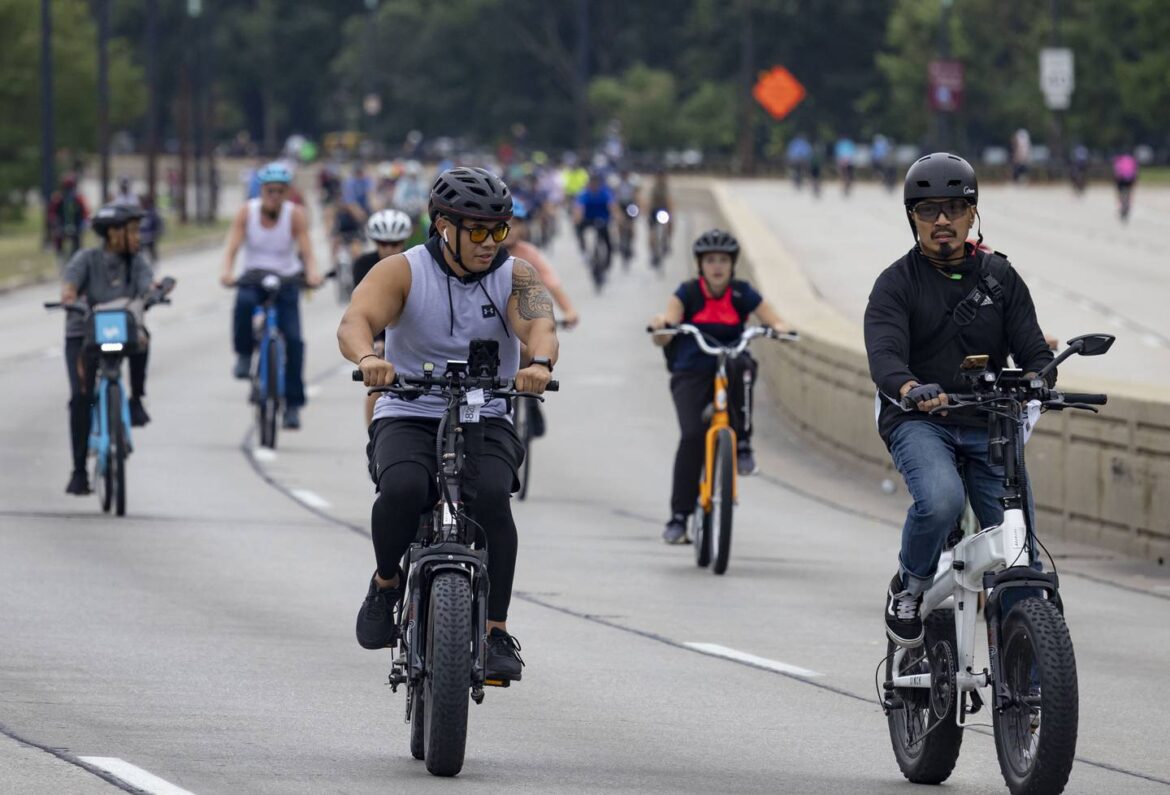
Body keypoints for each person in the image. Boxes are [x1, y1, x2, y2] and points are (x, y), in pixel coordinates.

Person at [338, 166, 559, 682]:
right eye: (477, 230)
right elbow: (356, 320)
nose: (489, 242)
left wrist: (538, 365)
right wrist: (369, 356)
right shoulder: (402, 270)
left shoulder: (516, 274)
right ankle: (387, 584)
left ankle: (496, 629)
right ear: (443, 226)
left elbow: (540, 325)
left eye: (498, 230)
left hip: (485, 408)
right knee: (403, 487)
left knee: (490, 501)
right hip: (410, 407)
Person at [864, 153, 1054, 647]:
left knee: (1018, 546)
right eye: (929, 210)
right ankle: (909, 586)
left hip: (990, 421)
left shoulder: (1001, 278)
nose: (942, 220)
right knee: (942, 500)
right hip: (921, 421)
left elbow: (1033, 350)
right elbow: (884, 358)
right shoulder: (894, 284)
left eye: (953, 208)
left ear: (973, 213)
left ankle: (1028, 668)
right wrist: (911, 389)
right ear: (913, 218)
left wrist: (1039, 379)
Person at [648, 229, 794, 544]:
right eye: (711, 260)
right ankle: (679, 518)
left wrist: (780, 329)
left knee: (743, 365)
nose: (717, 267)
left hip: (729, 369)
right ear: (700, 264)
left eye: (724, 261)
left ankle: (742, 444)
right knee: (691, 437)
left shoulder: (742, 293)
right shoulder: (687, 293)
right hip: (690, 372)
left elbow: (774, 318)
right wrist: (663, 327)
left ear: (732, 264)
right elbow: (666, 327)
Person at [59, 204, 157, 495]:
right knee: (82, 396)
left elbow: (146, 286)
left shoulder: (137, 261)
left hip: (118, 331)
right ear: (114, 233)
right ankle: (79, 471)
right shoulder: (86, 258)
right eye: (132, 230)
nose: (138, 236)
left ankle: (136, 398)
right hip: (84, 334)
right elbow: (69, 287)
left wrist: (155, 292)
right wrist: (70, 298)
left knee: (142, 339)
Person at [219, 162, 322, 430]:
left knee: (296, 341)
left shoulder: (295, 215)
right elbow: (232, 247)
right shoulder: (247, 212)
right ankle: (243, 354)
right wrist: (227, 272)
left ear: (287, 192)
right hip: (254, 277)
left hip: (286, 279)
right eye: (269, 190)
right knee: (242, 303)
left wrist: (312, 274)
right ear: (261, 190)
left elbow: (308, 252)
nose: (274, 195)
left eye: (280, 190)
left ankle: (293, 405)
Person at [352, 208, 415, 426]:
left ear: (404, 242)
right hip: (380, 331)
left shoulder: (415, 263)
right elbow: (363, 309)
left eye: (395, 244)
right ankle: (374, 442)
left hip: (410, 328)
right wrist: (375, 342)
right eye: (383, 244)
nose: (389, 249)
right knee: (378, 387)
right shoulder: (362, 264)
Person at [573, 170, 616, 271]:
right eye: (592, 182)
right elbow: (579, 207)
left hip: (602, 220)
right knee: (579, 230)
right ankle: (584, 250)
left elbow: (612, 206)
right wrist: (577, 218)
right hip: (588, 219)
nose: (594, 184)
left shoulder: (605, 193)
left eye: (596, 182)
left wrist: (616, 217)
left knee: (608, 241)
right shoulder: (584, 194)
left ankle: (608, 262)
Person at [47, 174, 89, 268]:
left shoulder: (78, 198)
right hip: (62, 225)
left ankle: (77, 261)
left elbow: (85, 212)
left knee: (77, 243)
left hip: (76, 225)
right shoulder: (58, 198)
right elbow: (52, 213)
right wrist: (54, 221)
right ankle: (61, 260)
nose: (68, 189)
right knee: (58, 240)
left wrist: (84, 222)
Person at [137, 194, 164, 264]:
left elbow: (158, 224)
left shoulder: (152, 212)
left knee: (152, 252)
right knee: (139, 254)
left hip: (150, 237)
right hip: (141, 237)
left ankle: (154, 263)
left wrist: (157, 233)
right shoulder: (138, 212)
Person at [1112, 150, 1138, 222]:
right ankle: (1128, 204)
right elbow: (1135, 170)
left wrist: (1116, 179)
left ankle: (1122, 204)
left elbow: (1116, 170)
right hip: (1130, 178)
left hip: (1121, 178)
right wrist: (1135, 179)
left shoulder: (1119, 159)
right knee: (1129, 192)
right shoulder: (1132, 160)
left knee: (1120, 193)